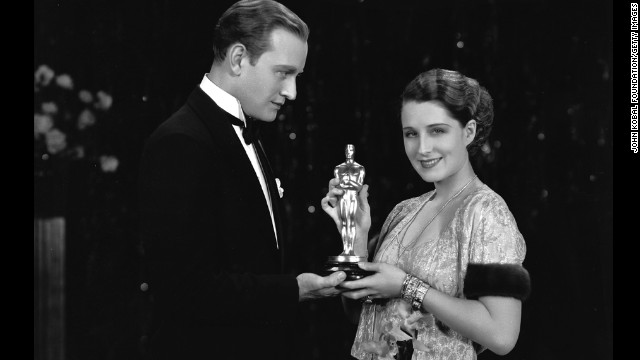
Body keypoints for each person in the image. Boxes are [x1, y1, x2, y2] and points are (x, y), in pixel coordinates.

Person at [138, 1, 346, 359]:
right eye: (283, 73)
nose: (293, 92)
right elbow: (183, 289)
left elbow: (251, 253)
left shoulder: (245, 129)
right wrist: (292, 290)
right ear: (237, 59)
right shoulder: (181, 141)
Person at [321, 68, 531, 360]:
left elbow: (502, 335)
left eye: (437, 130)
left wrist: (408, 286)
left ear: (468, 132)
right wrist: (356, 234)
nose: (422, 148)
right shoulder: (404, 210)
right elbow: (363, 316)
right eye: (411, 134)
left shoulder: (487, 214)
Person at [334, 144, 366, 255]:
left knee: (351, 222)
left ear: (354, 151)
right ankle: (346, 249)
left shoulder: (359, 168)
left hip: (352, 196)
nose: (349, 152)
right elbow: (337, 185)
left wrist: (348, 182)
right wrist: (349, 183)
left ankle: (351, 249)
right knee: (344, 223)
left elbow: (359, 186)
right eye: (347, 150)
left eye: (351, 150)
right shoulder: (339, 168)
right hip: (343, 196)